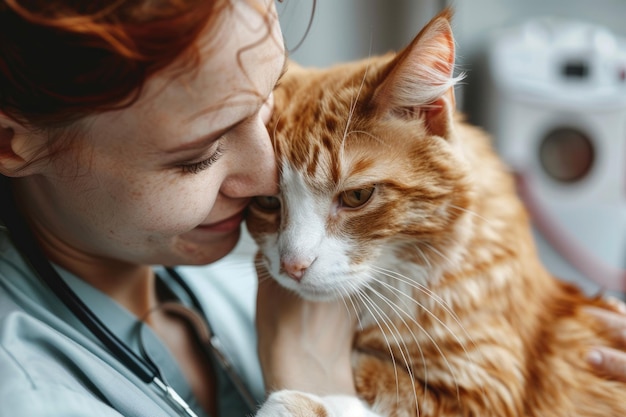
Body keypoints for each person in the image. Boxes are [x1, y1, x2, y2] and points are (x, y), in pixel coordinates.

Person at [0, 1, 624, 416]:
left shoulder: (195, 262)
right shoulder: (30, 393)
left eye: (264, 110)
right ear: (12, 142)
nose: (263, 173)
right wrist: (316, 383)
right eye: (198, 154)